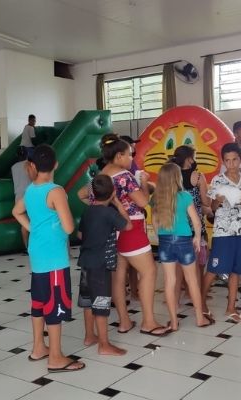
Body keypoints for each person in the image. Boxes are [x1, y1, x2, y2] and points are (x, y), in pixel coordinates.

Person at [78, 138, 169, 337]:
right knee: (149, 271)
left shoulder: (99, 178)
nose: (131, 158)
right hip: (130, 228)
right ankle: (148, 322)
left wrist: (103, 209)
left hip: (110, 231)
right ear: (119, 156)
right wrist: (143, 182)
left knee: (118, 276)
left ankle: (124, 321)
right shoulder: (125, 176)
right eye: (129, 154)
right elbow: (143, 201)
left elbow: (80, 195)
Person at [12, 145, 85, 373]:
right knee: (54, 306)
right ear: (56, 164)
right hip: (54, 257)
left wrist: (33, 229)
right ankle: (55, 357)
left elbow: (16, 212)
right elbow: (69, 226)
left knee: (39, 302)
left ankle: (38, 348)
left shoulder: (31, 190)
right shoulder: (56, 191)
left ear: (32, 166)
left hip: (37, 256)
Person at [77, 174, 131, 356]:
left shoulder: (88, 211)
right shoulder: (110, 213)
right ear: (113, 192)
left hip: (86, 262)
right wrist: (117, 204)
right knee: (101, 303)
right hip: (101, 265)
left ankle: (89, 336)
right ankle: (104, 344)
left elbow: (80, 235)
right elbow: (128, 226)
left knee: (88, 301)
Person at [153, 163, 210, 331]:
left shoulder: (157, 198)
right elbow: (196, 222)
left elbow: (154, 223)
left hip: (165, 241)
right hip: (184, 241)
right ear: (177, 178)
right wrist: (197, 238)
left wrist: (161, 237)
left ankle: (174, 322)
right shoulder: (185, 196)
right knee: (192, 281)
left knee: (170, 282)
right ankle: (200, 318)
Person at [201, 143, 241, 323]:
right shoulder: (217, 180)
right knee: (214, 269)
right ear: (223, 161)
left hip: (240, 230)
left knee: (236, 270)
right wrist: (218, 201)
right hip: (223, 232)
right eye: (227, 160)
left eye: (235, 160)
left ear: (240, 160)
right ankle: (201, 303)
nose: (231, 164)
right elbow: (210, 207)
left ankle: (231, 308)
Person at [170, 145, 212, 300]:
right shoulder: (198, 177)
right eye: (193, 157)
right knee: (198, 261)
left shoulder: (172, 177)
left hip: (177, 225)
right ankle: (196, 293)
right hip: (195, 225)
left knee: (179, 264)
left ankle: (178, 295)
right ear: (189, 159)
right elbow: (205, 201)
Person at [11, 146, 34, 249]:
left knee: (23, 222)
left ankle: (26, 246)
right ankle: (34, 246)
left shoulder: (13, 167)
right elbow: (33, 178)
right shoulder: (29, 164)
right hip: (28, 195)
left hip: (18, 196)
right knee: (33, 220)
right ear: (27, 154)